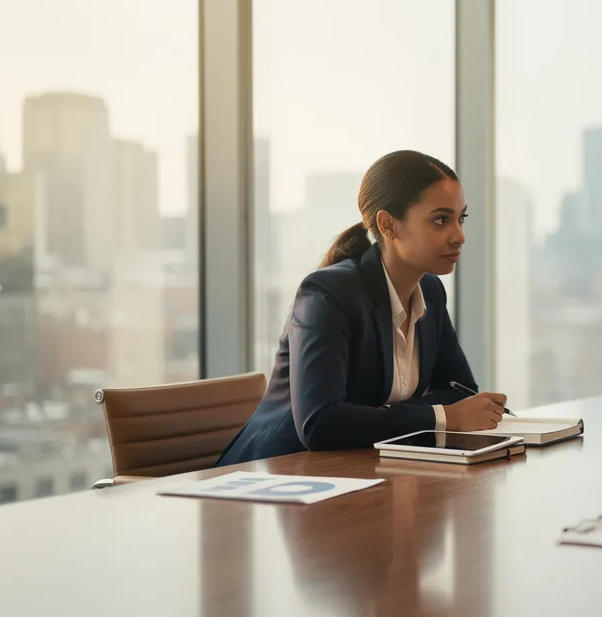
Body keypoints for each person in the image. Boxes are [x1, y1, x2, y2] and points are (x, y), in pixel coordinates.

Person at [216, 150, 506, 466]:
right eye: (441, 220)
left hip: (360, 468)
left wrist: (382, 415)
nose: (459, 236)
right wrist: (441, 416)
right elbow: (320, 424)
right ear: (388, 225)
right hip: (276, 473)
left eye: (461, 219)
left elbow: (460, 392)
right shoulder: (327, 293)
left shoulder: (431, 292)